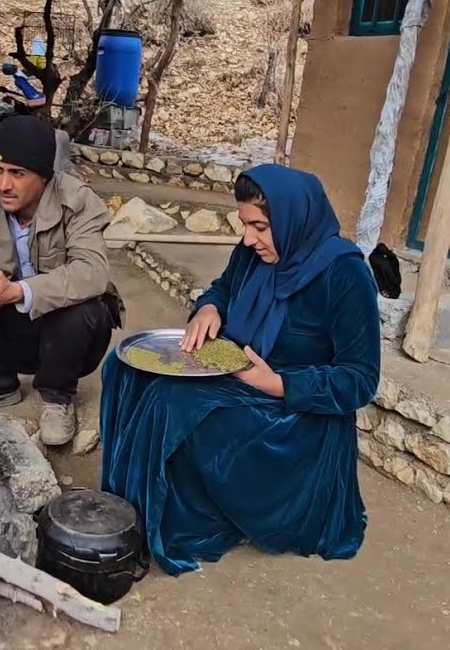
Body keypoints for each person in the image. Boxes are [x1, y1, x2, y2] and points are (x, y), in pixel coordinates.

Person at [98, 163, 381, 576]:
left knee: (172, 400)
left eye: (260, 227)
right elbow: (223, 289)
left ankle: (152, 521)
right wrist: (209, 309)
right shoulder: (252, 254)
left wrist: (279, 383)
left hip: (297, 413)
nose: (249, 238)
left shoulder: (345, 275)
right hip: (241, 377)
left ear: (293, 220)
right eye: (245, 225)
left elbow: (360, 379)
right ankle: (124, 506)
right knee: (124, 368)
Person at [0, 115, 122, 445]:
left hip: (62, 336)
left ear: (44, 176)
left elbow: (92, 271)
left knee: (85, 309)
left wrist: (17, 291)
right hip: (5, 326)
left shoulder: (78, 201)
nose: (4, 184)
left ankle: (57, 397)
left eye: (18, 173)